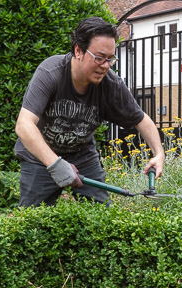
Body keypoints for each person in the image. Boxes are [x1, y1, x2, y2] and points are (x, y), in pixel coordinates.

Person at [15, 16, 165, 207]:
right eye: (99, 58)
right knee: (31, 222)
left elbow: (141, 119)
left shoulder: (111, 84)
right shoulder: (50, 72)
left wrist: (159, 154)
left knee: (102, 217)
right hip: (40, 159)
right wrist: (55, 163)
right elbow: (24, 125)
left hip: (82, 156)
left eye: (110, 59)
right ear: (78, 50)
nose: (105, 66)